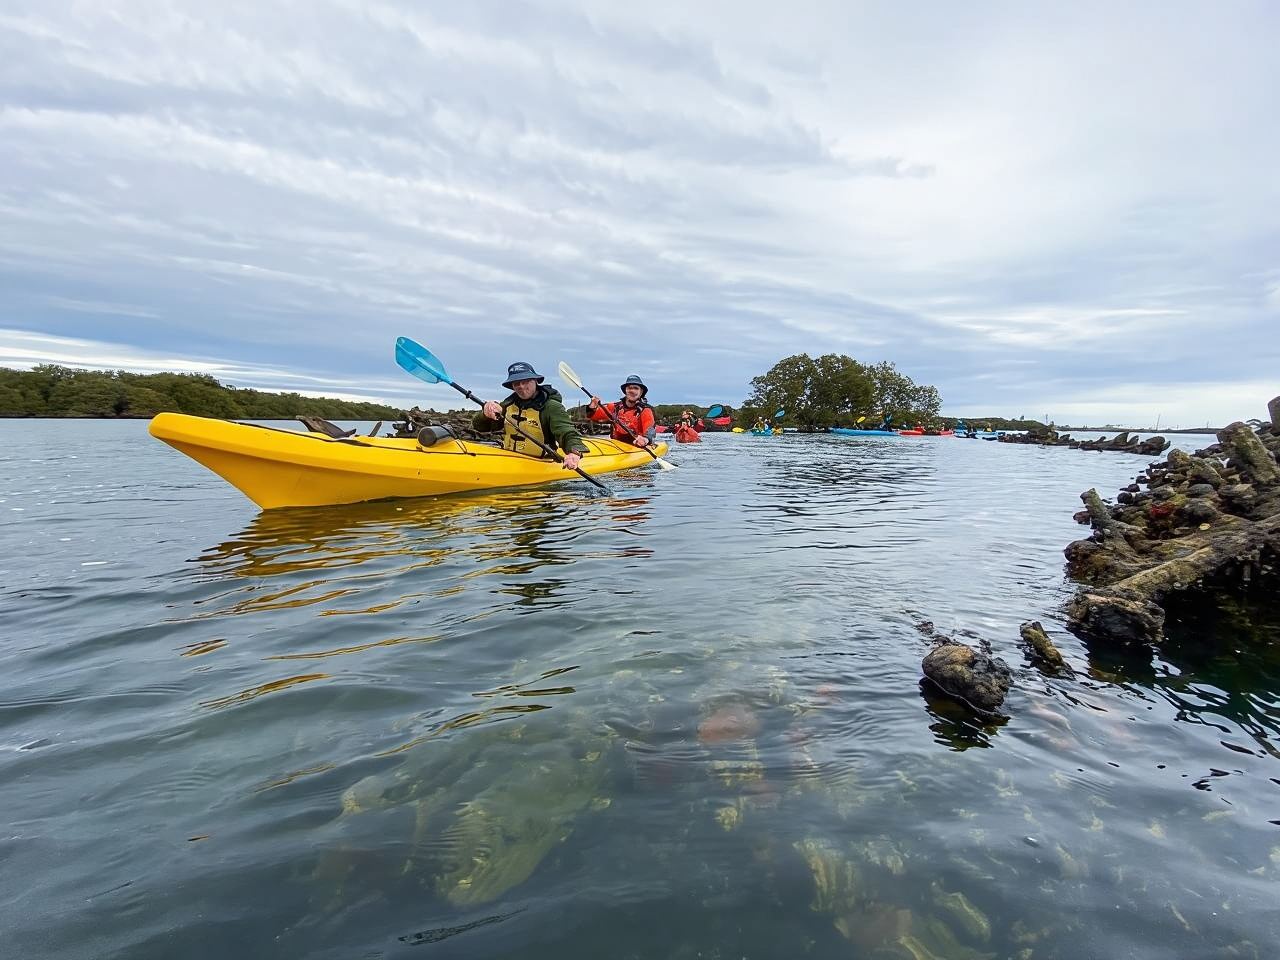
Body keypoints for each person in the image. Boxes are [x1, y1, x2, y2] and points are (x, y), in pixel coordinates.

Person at [473, 361, 589, 470]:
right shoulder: (507, 405)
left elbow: (566, 431)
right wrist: (485, 414)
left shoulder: (551, 407)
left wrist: (574, 451)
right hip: (510, 459)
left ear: (536, 381)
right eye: (516, 383)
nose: (522, 387)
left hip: (541, 462)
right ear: (512, 386)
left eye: (526, 381)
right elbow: (481, 427)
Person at [587, 375, 655, 447]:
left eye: (636, 388)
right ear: (625, 391)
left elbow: (650, 430)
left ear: (641, 392)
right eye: (629, 388)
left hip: (637, 447)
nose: (632, 391)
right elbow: (592, 416)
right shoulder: (614, 407)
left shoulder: (645, 410)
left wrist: (645, 439)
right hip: (617, 446)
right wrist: (592, 406)